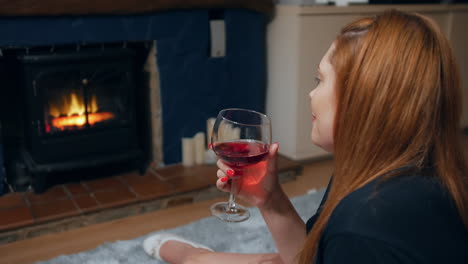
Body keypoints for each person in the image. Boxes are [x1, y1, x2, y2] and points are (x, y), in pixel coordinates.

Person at [142, 9, 468, 264]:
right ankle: (193, 256)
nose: (311, 94)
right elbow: (312, 257)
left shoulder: (365, 228)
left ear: (366, 98)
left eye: (320, 79)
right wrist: (269, 199)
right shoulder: (400, 175)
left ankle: (194, 256)